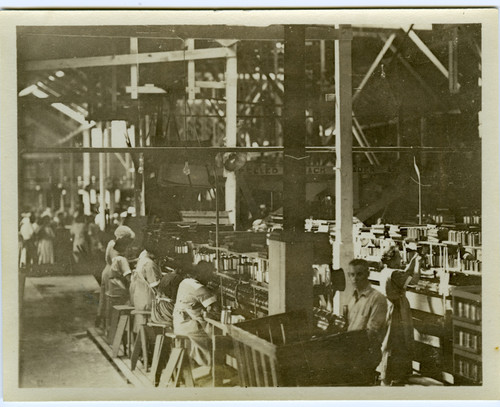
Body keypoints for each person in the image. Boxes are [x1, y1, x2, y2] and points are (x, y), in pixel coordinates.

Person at [378, 245, 421, 386]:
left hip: (389, 308)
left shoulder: (386, 271)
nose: (401, 260)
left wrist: (413, 260)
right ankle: (395, 376)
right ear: (391, 260)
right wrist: (419, 263)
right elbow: (413, 280)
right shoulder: (394, 273)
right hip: (397, 310)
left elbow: (404, 273)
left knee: (389, 342)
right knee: (399, 341)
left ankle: (387, 375)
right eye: (398, 258)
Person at [346, 259, 388, 378]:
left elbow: (372, 333)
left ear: (367, 274)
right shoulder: (353, 298)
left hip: (365, 354)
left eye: (359, 274)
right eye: (352, 275)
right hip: (351, 351)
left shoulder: (377, 298)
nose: (355, 278)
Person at [173, 260, 219, 367]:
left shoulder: (186, 281)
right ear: (204, 274)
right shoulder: (200, 288)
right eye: (210, 275)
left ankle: (199, 363)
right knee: (215, 339)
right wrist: (214, 294)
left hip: (179, 322)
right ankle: (212, 368)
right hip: (189, 327)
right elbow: (214, 309)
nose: (211, 278)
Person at [96, 225, 135, 328]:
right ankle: (110, 326)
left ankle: (103, 323)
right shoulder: (114, 246)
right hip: (111, 274)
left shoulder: (112, 242)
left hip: (109, 271)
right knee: (110, 300)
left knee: (105, 298)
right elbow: (117, 262)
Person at [129, 238, 163, 330]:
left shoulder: (143, 258)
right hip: (147, 300)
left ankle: (143, 343)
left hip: (140, 297)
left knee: (141, 327)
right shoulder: (149, 264)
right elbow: (155, 285)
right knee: (147, 328)